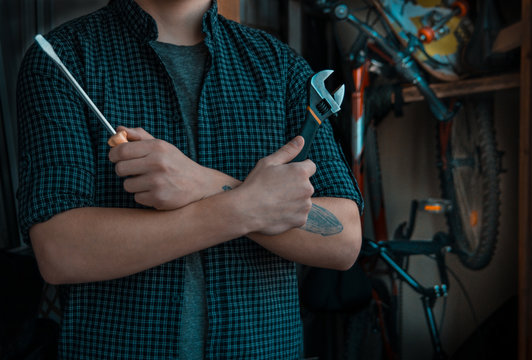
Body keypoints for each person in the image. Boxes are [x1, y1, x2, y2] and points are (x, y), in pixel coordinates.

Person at [16, 0, 363, 358]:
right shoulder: (64, 57)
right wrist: (240, 208)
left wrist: (202, 183)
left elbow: (345, 240)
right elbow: (60, 251)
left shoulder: (280, 66)